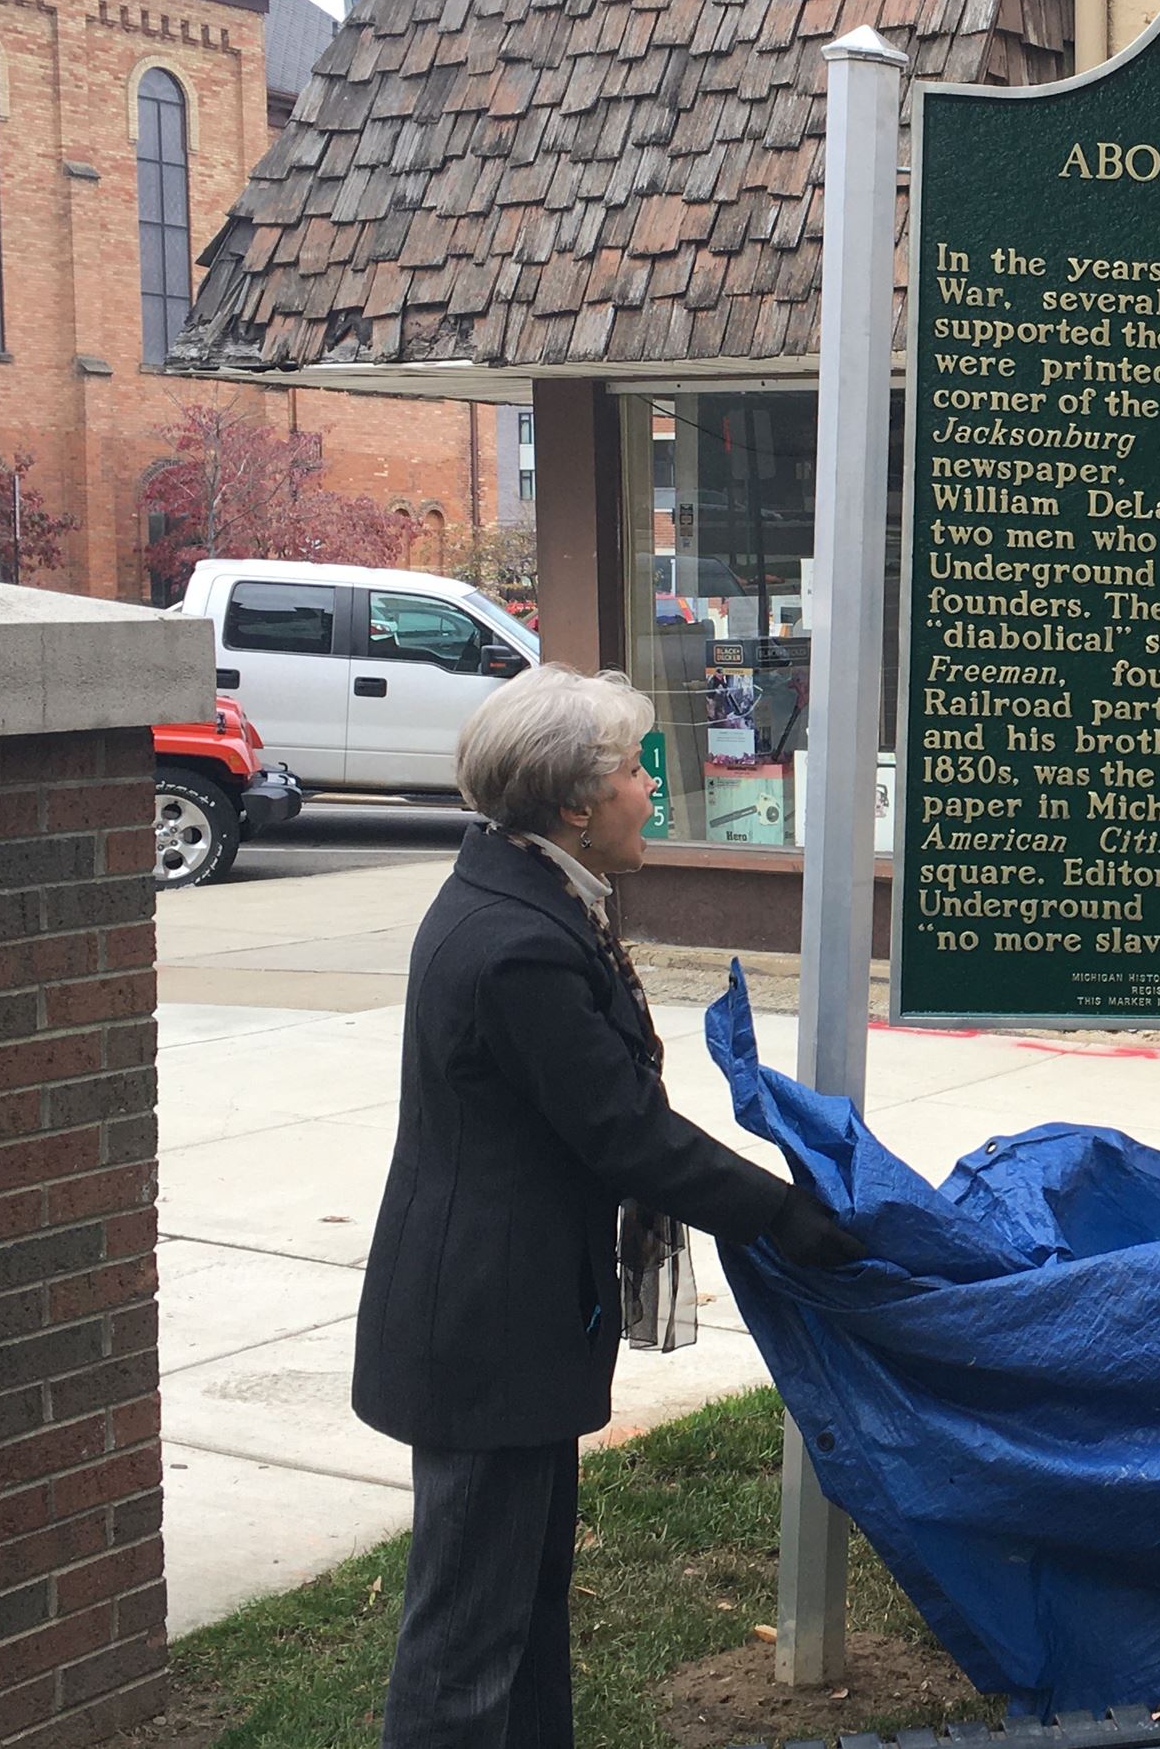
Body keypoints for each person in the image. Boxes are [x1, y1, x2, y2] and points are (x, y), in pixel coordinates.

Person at [353, 665, 864, 1747]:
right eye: (634, 770)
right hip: (484, 1325)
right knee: (464, 1643)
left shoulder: (526, 892)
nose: (651, 788)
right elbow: (622, 1132)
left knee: (522, 1611)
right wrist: (778, 1216)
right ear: (574, 807)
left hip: (511, 1311)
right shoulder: (519, 944)